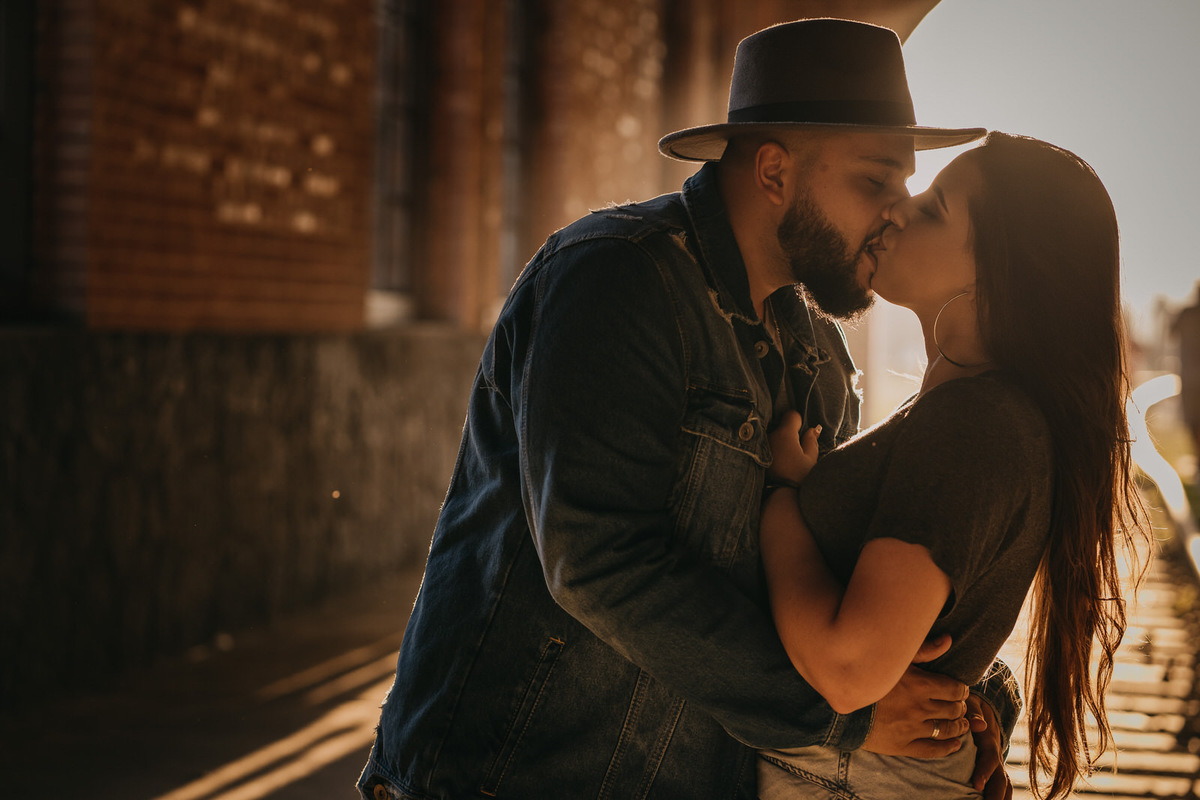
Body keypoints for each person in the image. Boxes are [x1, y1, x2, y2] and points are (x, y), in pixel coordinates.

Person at [359, 19, 1019, 800]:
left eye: (905, 187)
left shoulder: (819, 357)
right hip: (512, 775)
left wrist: (962, 701)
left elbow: (821, 585)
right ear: (773, 171)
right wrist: (839, 714)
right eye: (875, 182)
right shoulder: (617, 278)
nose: (896, 213)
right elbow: (599, 557)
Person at [756, 132, 1148, 799]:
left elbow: (850, 668)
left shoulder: (976, 423)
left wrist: (781, 504)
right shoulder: (969, 411)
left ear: (1000, 273)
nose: (899, 211)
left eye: (934, 208)